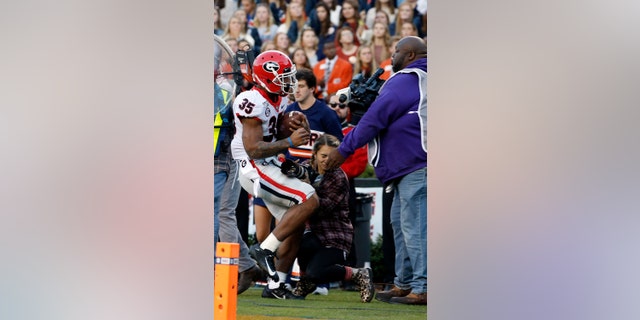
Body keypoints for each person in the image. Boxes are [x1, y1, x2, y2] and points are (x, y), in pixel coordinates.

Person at [324, 36, 427, 305]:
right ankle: (404, 284)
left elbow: (374, 118)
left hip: (416, 165)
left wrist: (343, 149)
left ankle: (423, 286)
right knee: (402, 227)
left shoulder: (409, 77)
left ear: (411, 55)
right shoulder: (417, 78)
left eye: (396, 52)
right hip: (408, 167)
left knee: (413, 229)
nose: (392, 57)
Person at [231, 50, 319, 299]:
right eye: (284, 77)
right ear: (267, 78)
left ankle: (276, 284)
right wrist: (290, 140)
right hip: (253, 166)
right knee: (309, 199)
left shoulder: (276, 98)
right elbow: (253, 148)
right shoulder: (251, 100)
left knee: (295, 223)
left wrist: (291, 121)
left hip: (269, 161)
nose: (289, 83)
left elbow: (274, 130)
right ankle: (265, 250)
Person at [288, 134, 375, 302]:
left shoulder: (338, 177)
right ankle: (305, 281)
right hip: (312, 233)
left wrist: (306, 186)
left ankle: (358, 274)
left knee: (317, 272)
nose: (327, 160)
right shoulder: (305, 168)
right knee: (294, 239)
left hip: (334, 236)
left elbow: (320, 208)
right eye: (323, 156)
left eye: (331, 156)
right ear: (314, 154)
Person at [214, 39, 263, 295]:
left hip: (230, 155)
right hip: (218, 156)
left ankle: (232, 269)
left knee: (224, 214)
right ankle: (245, 266)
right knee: (221, 214)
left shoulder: (231, 89)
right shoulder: (227, 87)